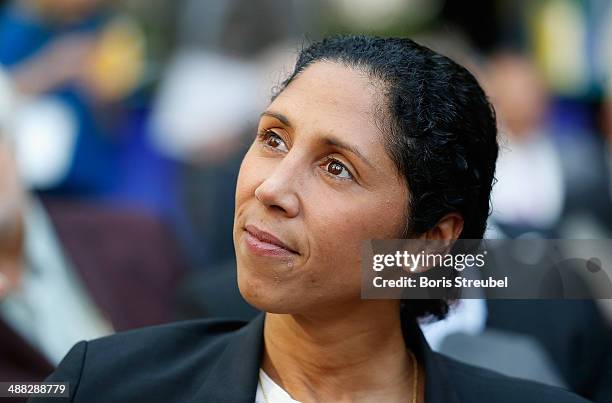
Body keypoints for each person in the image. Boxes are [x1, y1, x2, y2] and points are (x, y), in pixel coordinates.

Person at [32, 36, 588, 402]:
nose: (272, 188)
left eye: (337, 168)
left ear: (429, 241)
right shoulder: (105, 384)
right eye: (273, 138)